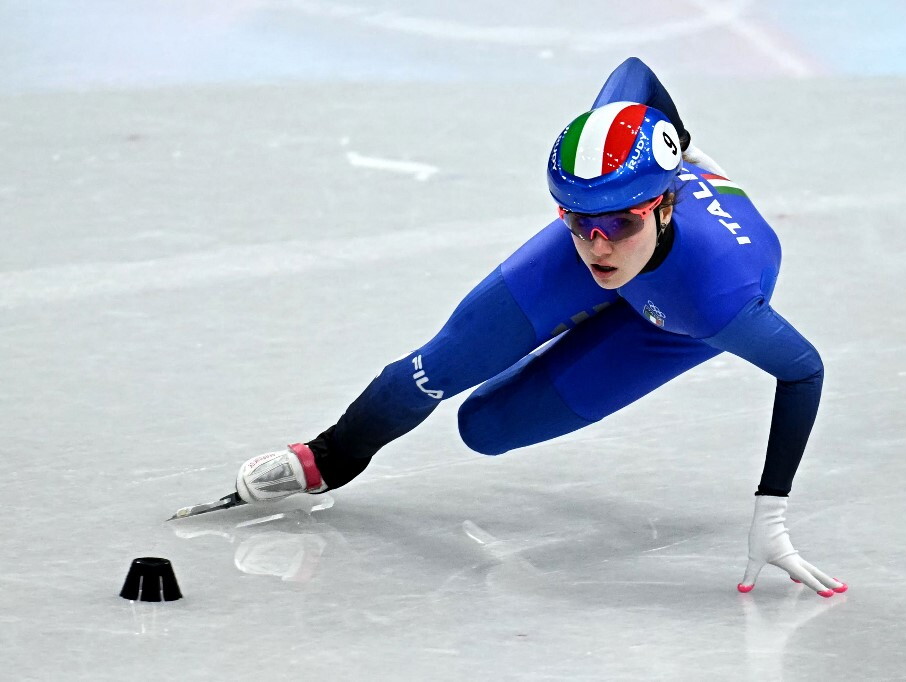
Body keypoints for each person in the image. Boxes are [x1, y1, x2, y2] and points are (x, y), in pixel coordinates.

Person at [233, 57, 846, 598]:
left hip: (673, 315)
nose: (597, 246)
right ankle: (331, 456)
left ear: (664, 203)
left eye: (618, 226)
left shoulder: (718, 301)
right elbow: (634, 74)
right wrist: (669, 142)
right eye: (577, 222)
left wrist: (772, 513)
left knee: (487, 428)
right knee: (442, 365)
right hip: (659, 252)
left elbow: (803, 371)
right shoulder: (608, 209)